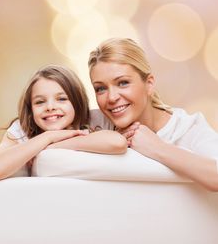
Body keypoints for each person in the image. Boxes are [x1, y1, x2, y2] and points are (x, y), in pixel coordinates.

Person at [88, 37, 218, 191]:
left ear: (149, 84)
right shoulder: (96, 123)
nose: (111, 97)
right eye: (100, 88)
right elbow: (52, 139)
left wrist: (157, 147)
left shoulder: (186, 128)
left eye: (123, 83)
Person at [0, 65, 127, 181]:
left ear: (76, 101)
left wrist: (56, 145)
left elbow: (118, 142)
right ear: (31, 108)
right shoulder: (23, 129)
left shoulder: (94, 119)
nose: (50, 107)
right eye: (40, 102)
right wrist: (48, 137)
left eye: (61, 99)